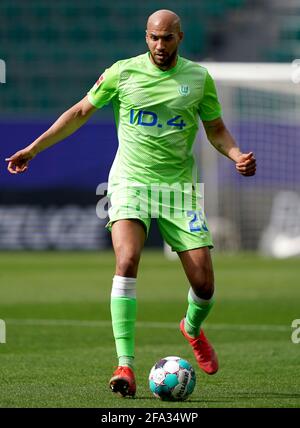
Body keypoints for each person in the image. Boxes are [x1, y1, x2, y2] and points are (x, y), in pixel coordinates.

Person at [6, 9, 256, 398]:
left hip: (178, 190)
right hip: (129, 183)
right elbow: (79, 113)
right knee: (126, 261)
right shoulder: (122, 73)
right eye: (153, 38)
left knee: (204, 285)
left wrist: (236, 154)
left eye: (167, 38)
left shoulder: (198, 78)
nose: (159, 45)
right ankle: (125, 364)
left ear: (180, 38)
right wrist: (34, 149)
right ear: (146, 37)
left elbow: (217, 130)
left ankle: (190, 328)